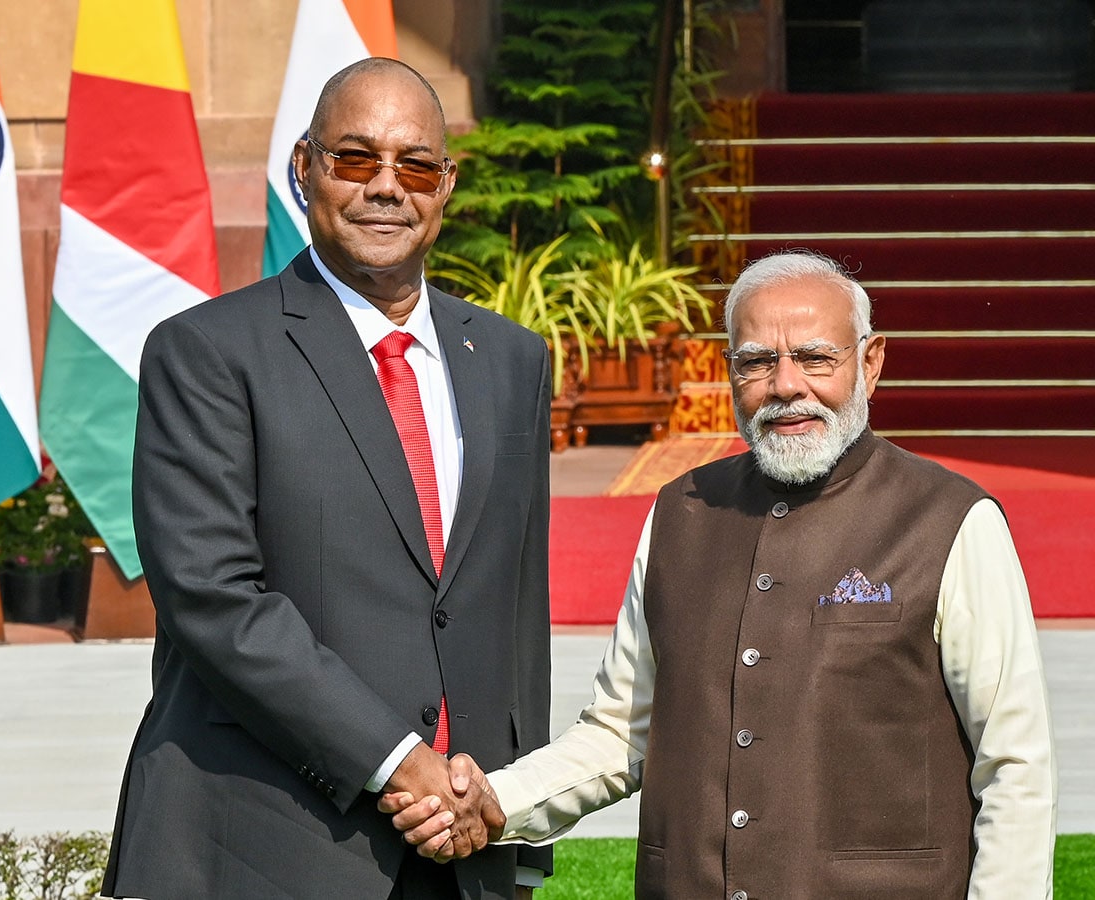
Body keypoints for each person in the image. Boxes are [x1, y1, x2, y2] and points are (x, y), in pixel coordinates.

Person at [385, 250, 1057, 898]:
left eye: (816, 357)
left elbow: (1016, 767)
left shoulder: (951, 522)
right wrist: (496, 801)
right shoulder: (681, 512)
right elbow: (623, 731)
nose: (786, 386)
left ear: (871, 362)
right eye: (757, 362)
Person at [101, 58, 553, 900]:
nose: (388, 187)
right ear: (304, 166)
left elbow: (514, 610)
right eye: (356, 159)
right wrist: (397, 764)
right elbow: (213, 598)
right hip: (265, 846)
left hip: (460, 848)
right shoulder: (207, 353)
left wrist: (510, 812)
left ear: (446, 184)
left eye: (415, 164)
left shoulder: (510, 360)